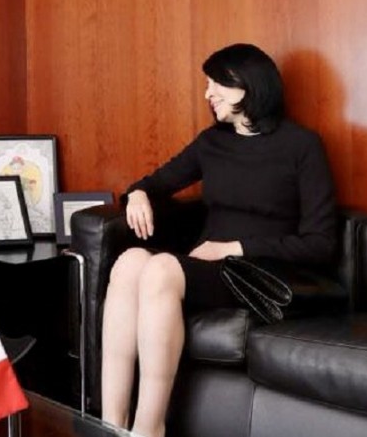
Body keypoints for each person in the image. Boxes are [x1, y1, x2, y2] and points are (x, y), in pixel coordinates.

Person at [100, 43, 337, 437]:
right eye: (207, 84)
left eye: (217, 84)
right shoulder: (213, 143)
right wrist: (137, 194)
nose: (208, 94)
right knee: (127, 263)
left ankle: (148, 430)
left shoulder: (302, 146)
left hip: (257, 270)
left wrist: (231, 249)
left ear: (249, 85)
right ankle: (109, 427)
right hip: (206, 266)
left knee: (159, 268)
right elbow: (156, 182)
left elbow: (320, 242)